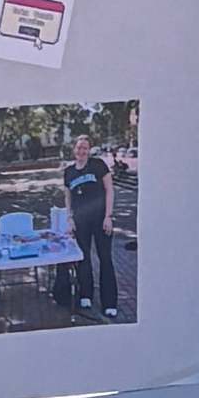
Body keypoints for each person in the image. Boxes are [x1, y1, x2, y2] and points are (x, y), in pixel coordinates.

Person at [64, 128, 117, 317]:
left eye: (85, 148)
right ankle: (85, 295)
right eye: (79, 148)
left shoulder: (98, 165)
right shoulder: (69, 172)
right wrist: (69, 217)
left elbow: (110, 190)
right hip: (80, 221)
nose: (81, 151)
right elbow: (68, 196)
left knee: (105, 259)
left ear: (90, 150)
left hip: (101, 219)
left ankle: (109, 302)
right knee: (83, 257)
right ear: (74, 150)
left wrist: (108, 216)